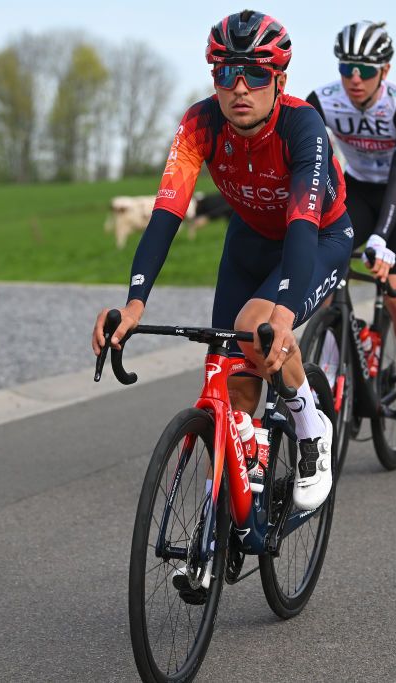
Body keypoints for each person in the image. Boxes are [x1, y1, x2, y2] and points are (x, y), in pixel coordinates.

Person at [91, 10, 354, 511]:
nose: (239, 87)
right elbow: (165, 216)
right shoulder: (200, 123)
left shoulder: (303, 127)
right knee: (230, 380)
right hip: (250, 240)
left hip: (318, 239)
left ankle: (309, 428)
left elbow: (302, 223)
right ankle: (228, 522)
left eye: (255, 73)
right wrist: (133, 306)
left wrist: (281, 315)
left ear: (279, 80)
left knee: (256, 326)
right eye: (224, 73)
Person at [305, 20, 396, 426]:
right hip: (357, 192)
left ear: (385, 71)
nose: (354, 79)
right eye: (346, 69)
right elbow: (308, 160)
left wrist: (380, 237)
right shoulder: (322, 100)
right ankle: (328, 358)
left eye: (366, 70)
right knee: (324, 273)